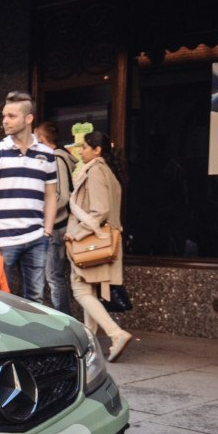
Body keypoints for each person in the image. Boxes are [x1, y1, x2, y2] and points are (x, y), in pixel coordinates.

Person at [0, 91, 57, 302]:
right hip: (1, 240)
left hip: (36, 238)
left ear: (28, 118)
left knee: (36, 298)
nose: (5, 121)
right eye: (4, 115)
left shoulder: (47, 154)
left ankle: (32, 336)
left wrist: (47, 232)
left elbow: (50, 196)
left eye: (11, 116)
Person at [65, 131, 133, 362]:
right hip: (105, 241)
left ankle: (116, 334)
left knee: (81, 290)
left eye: (84, 147)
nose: (80, 151)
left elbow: (100, 210)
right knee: (89, 291)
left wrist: (76, 234)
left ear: (97, 150)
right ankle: (90, 346)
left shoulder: (95, 171)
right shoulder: (109, 172)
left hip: (91, 243)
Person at [35, 121, 76, 315]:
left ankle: (63, 319)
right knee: (53, 275)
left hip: (57, 226)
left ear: (42, 140)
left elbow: (61, 196)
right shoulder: (61, 157)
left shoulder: (57, 159)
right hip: (57, 225)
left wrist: (43, 217)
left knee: (53, 276)